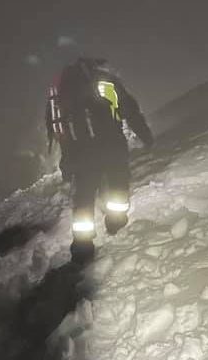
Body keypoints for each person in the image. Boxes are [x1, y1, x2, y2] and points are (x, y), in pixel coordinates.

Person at [45, 57, 153, 257]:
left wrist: (67, 160)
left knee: (83, 197)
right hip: (112, 147)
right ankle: (116, 222)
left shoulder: (62, 93)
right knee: (118, 183)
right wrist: (145, 136)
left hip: (81, 154)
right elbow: (130, 110)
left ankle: (82, 246)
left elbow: (55, 128)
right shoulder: (106, 82)